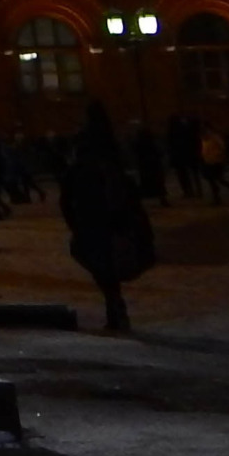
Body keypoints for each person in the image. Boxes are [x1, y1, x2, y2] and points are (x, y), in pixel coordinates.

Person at [62, 101, 155, 334]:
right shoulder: (111, 148)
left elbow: (70, 191)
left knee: (98, 262)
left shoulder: (85, 156)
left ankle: (115, 306)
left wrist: (74, 219)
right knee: (104, 262)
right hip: (109, 216)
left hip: (93, 216)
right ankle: (115, 306)